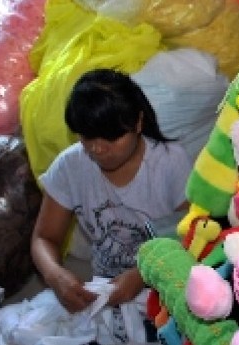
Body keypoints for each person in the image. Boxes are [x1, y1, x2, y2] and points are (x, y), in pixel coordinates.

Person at [31, 68, 192, 314]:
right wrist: (56, 276)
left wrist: (141, 276)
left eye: (111, 138)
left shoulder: (170, 163)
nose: (97, 149)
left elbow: (193, 235)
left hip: (168, 282)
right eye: (87, 137)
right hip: (104, 287)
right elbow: (44, 238)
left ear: (138, 123)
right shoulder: (70, 166)